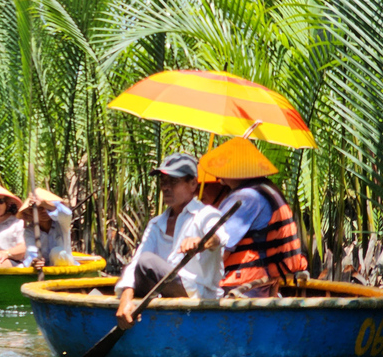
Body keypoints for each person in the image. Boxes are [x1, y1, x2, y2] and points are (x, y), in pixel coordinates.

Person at [115, 153, 228, 330]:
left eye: (173, 181)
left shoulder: (206, 214)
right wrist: (126, 298)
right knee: (138, 265)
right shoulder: (156, 223)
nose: (166, 188)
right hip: (166, 290)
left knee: (147, 262)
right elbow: (136, 262)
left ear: (192, 184)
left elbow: (219, 237)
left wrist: (201, 243)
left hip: (198, 293)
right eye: (163, 182)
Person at [198, 137, 308, 297]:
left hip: (245, 287)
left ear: (237, 170)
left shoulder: (245, 198)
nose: (218, 173)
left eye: (224, 166)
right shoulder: (267, 188)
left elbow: (218, 252)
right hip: (267, 281)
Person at [17, 188, 78, 269]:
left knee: (57, 252)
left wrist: (43, 203)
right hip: (43, 269)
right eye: (39, 208)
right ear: (31, 212)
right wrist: (35, 261)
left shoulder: (61, 223)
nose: (44, 211)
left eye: (47, 209)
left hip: (65, 267)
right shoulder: (30, 231)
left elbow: (67, 214)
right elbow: (31, 251)